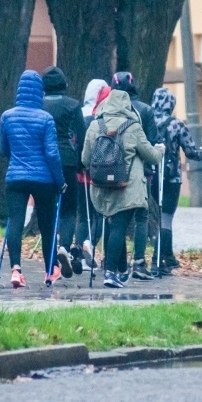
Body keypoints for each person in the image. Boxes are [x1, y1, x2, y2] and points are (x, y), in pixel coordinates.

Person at [82, 89, 165, 288]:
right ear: (127, 106)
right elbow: (151, 156)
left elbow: (85, 159)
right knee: (119, 227)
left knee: (112, 225)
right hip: (127, 187)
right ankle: (111, 272)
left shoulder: (95, 125)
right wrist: (161, 149)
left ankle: (121, 270)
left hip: (101, 186)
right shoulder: (133, 127)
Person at [0, 70, 66, 288]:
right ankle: (50, 270)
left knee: (15, 221)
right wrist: (60, 181)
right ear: (40, 92)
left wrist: (19, 161)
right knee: (47, 225)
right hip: (44, 179)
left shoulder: (7, 116)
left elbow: (3, 149)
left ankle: (16, 270)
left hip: (15, 177)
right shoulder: (46, 118)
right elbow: (52, 154)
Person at [149, 87, 202, 278]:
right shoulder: (176, 124)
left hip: (151, 176)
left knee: (158, 217)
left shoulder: (146, 120)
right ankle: (157, 261)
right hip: (171, 178)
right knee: (166, 218)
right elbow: (191, 151)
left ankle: (166, 256)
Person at [110, 72, 159, 279]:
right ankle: (139, 262)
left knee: (113, 217)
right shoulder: (146, 110)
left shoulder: (108, 109)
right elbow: (152, 141)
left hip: (110, 169)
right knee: (141, 216)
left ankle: (112, 261)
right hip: (140, 172)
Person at [41, 66, 86, 277]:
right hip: (67, 160)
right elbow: (81, 134)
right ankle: (64, 246)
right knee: (69, 209)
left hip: (44, 162)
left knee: (48, 209)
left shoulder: (38, 105)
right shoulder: (72, 105)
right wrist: (80, 161)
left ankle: (51, 254)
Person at [75, 79, 108, 271]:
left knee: (82, 215)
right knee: (99, 215)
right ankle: (90, 244)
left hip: (80, 174)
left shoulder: (79, 114)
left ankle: (78, 252)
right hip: (99, 174)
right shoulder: (100, 118)